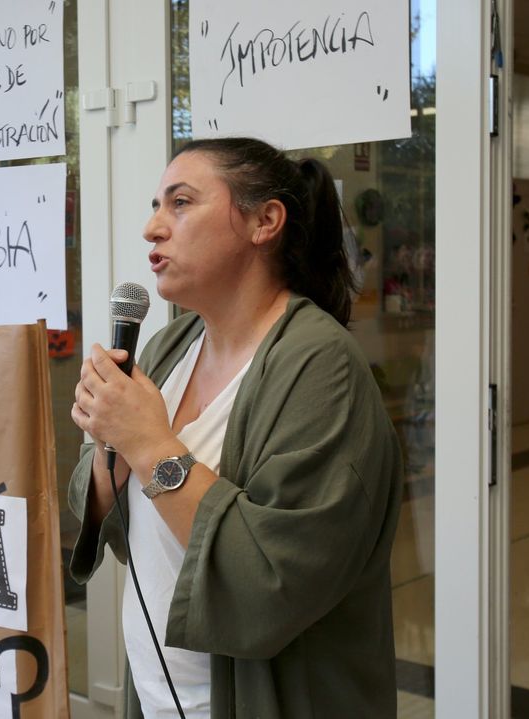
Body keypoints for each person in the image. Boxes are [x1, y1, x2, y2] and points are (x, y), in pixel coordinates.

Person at [68, 137, 403, 718]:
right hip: (159, 696)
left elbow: (275, 575)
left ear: (264, 222)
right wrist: (111, 442)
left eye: (180, 203)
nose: (152, 227)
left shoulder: (320, 365)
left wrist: (148, 444)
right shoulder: (171, 344)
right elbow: (109, 511)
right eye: (155, 204)